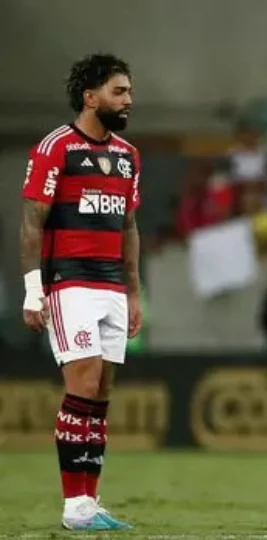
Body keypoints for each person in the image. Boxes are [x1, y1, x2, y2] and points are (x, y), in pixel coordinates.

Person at [20, 54, 139, 531]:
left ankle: (90, 503)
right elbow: (32, 222)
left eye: (129, 91)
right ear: (90, 97)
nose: (129, 99)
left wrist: (133, 292)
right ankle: (73, 507)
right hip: (69, 282)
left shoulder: (129, 156)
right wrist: (34, 291)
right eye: (119, 91)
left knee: (101, 395)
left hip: (111, 283)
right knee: (83, 384)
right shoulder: (57, 148)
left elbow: (129, 225)